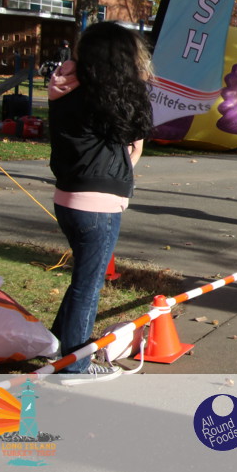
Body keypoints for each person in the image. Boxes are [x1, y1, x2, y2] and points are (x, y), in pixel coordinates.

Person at [48, 23, 152, 384]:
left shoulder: (66, 87)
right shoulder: (108, 96)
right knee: (88, 285)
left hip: (68, 197)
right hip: (97, 204)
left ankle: (59, 344)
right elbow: (138, 132)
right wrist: (137, 83)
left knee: (84, 278)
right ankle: (74, 364)